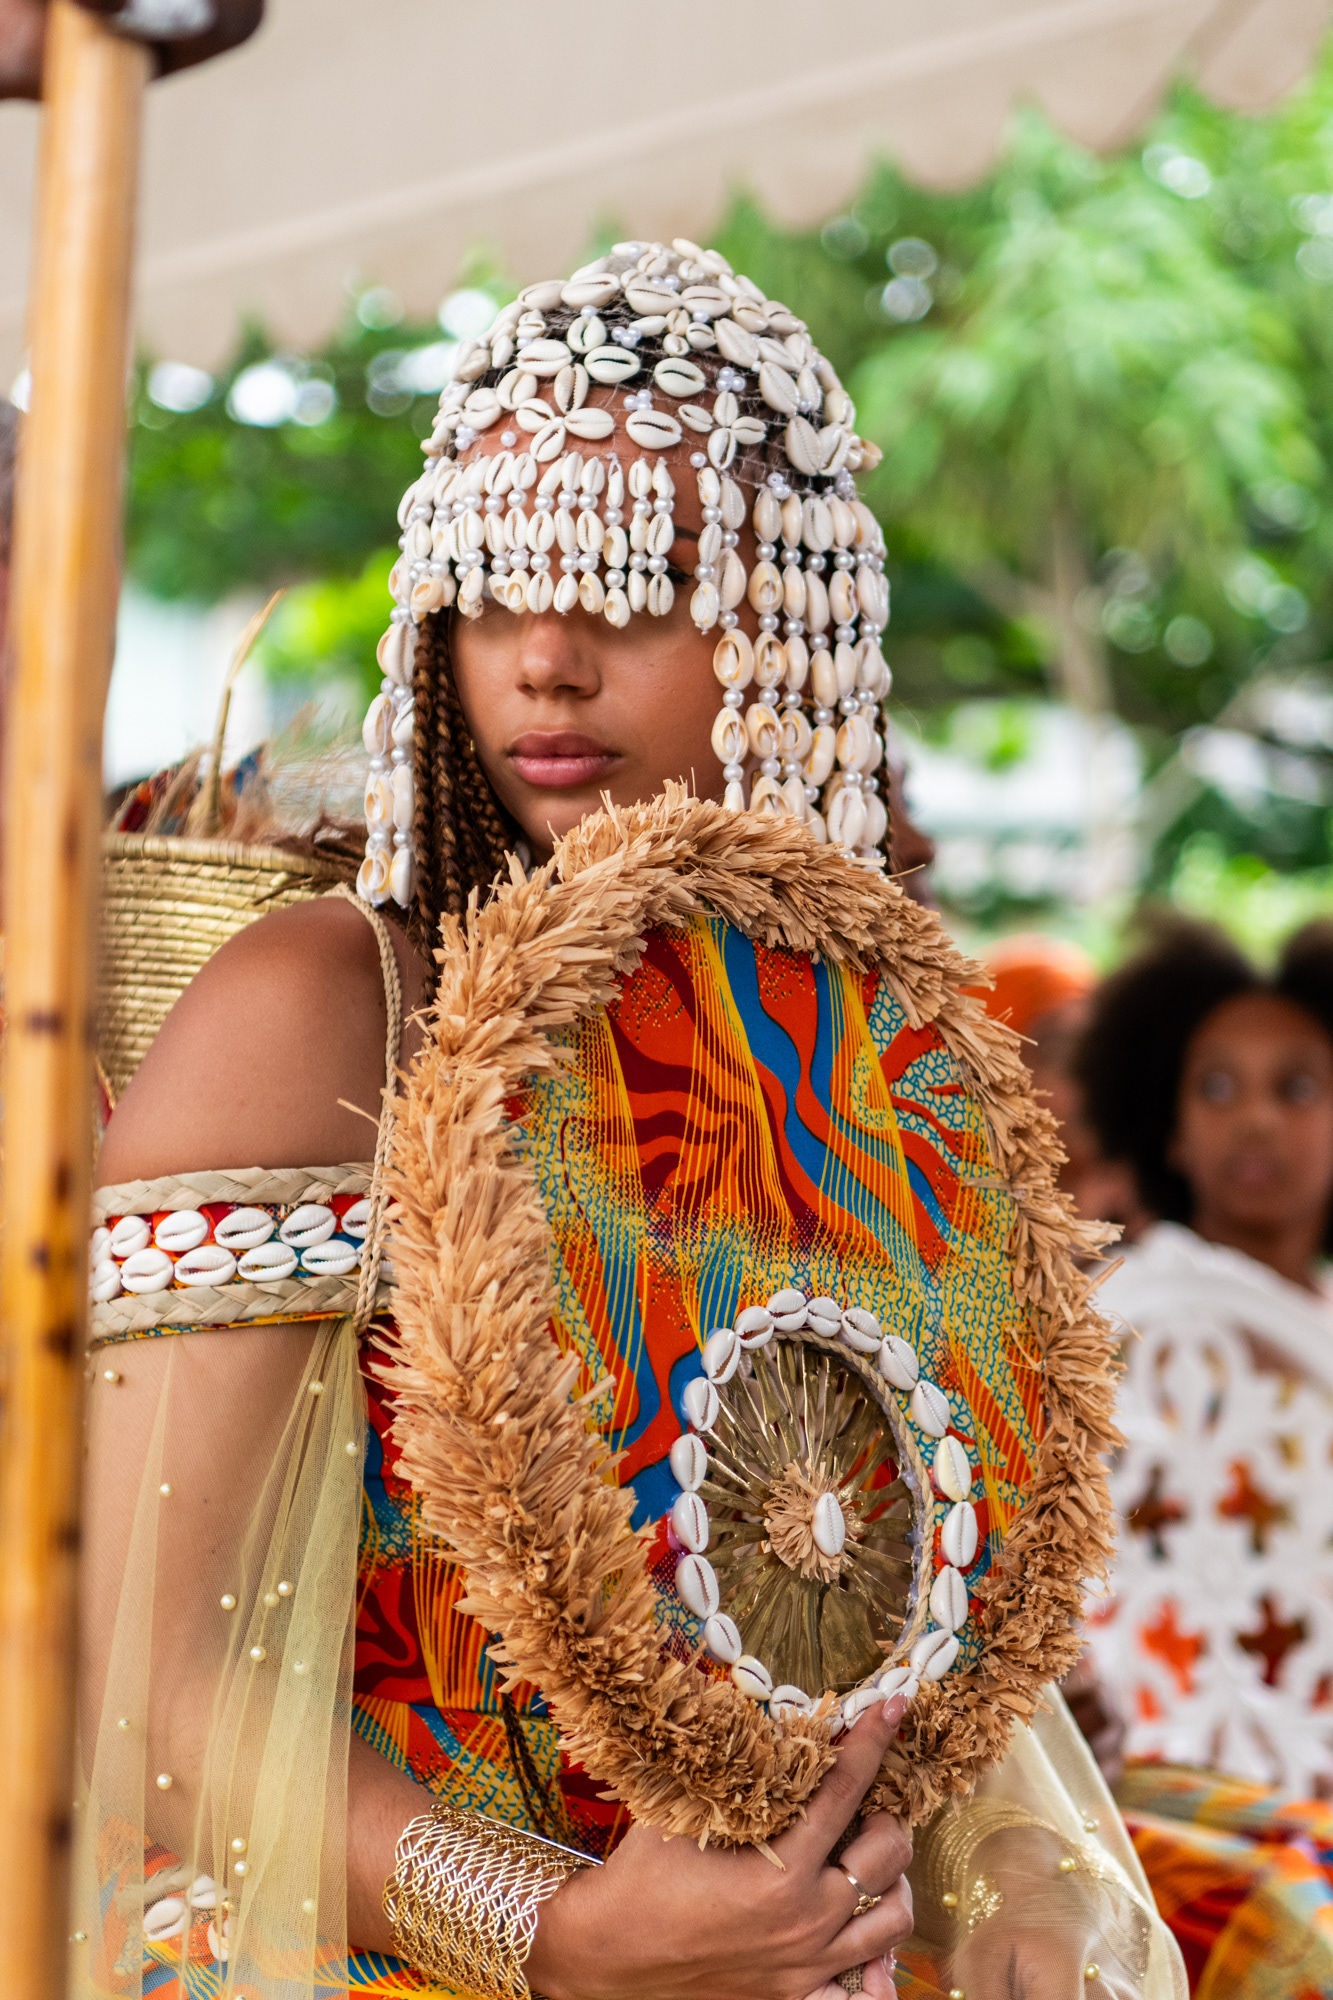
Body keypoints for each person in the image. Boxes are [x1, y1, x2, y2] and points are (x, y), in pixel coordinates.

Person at [80, 242, 1184, 2000]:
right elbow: (137, 1673)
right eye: (493, 581)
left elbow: (934, 1639)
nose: (546, 657)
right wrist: (556, 1936)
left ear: (796, 622)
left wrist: (1031, 1895)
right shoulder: (324, 1007)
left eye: (631, 581)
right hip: (329, 1932)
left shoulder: (863, 1072)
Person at [1077, 918, 1333, 1988]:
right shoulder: (1134, 1324)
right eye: (1217, 1089)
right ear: (1168, 1133)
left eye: (1298, 1085)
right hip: (1166, 1797)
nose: (1258, 1118)